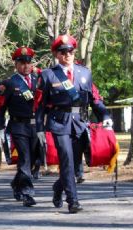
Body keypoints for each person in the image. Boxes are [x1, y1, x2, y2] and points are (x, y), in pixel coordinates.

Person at [34, 34, 113, 213]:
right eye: (63, 52)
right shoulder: (48, 75)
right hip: (59, 122)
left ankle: (58, 187)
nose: (67, 54)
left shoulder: (84, 73)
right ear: (56, 54)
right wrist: (39, 128)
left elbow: (95, 99)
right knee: (66, 160)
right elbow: (39, 104)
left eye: (70, 51)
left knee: (75, 162)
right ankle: (73, 201)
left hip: (79, 122)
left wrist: (105, 115)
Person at [0, 47, 38, 207]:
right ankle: (27, 193)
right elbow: (0, 108)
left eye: (28, 63)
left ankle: (17, 183)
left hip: (35, 126)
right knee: (25, 158)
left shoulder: (38, 80)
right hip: (18, 126)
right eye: (22, 63)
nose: (26, 66)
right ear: (16, 64)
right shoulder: (9, 83)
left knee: (33, 159)